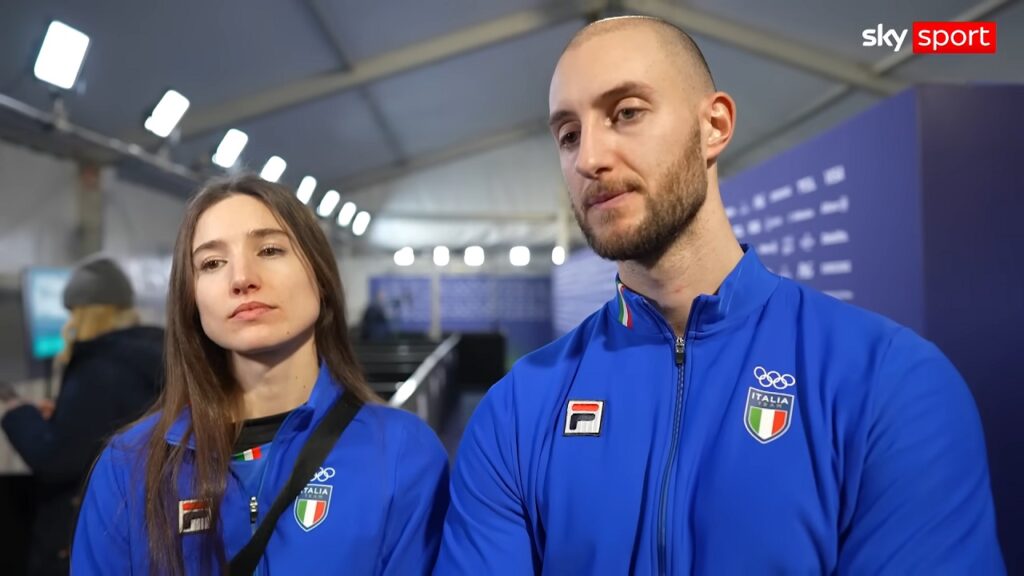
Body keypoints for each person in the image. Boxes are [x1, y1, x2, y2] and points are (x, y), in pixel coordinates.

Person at [436, 16, 1004, 574]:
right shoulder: (516, 412)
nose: (589, 158)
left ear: (715, 125)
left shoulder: (891, 384)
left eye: (626, 113)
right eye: (568, 135)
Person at [72, 176, 449, 574]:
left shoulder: (402, 453)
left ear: (320, 278)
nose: (242, 278)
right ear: (192, 300)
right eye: (212, 263)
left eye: (269, 249)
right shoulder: (129, 467)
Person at [1, 255, 163, 576]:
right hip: (137, 523)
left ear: (84, 313)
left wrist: (17, 412)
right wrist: (63, 414)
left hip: (80, 532)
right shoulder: (153, 352)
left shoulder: (100, 366)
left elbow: (56, 459)